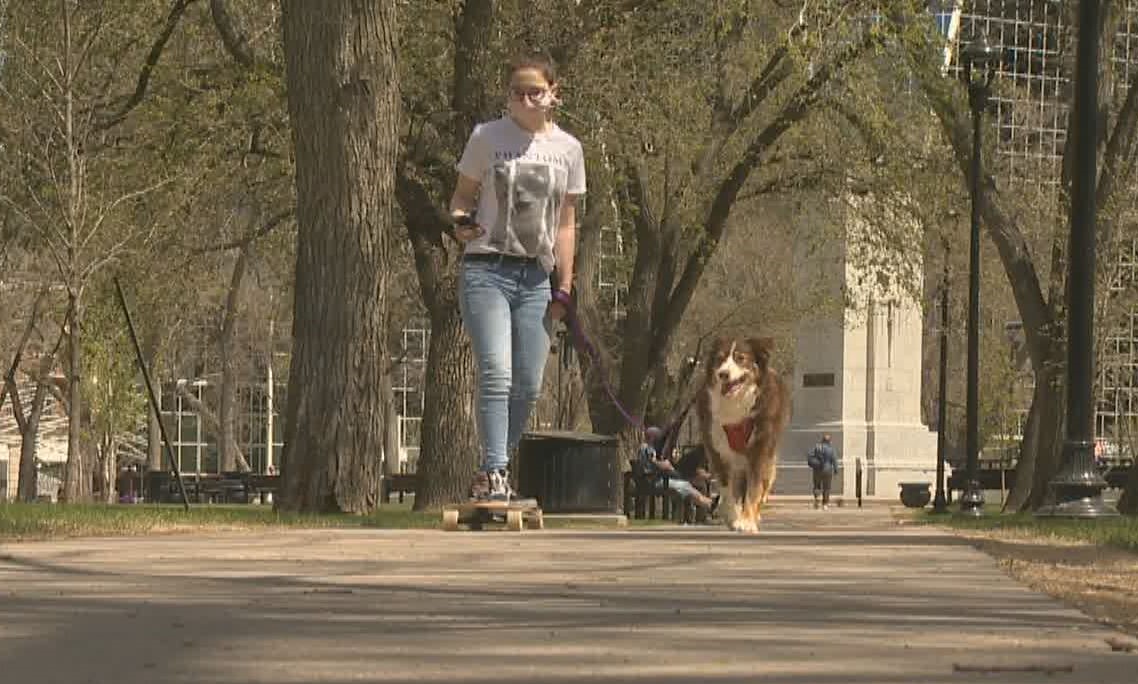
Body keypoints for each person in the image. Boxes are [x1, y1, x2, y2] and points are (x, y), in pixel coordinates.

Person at [449, 53, 586, 500]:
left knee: (528, 382)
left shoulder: (568, 149)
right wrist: (460, 221)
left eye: (535, 92)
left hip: (536, 278)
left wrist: (565, 285)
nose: (525, 100)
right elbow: (460, 199)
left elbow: (566, 224)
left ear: (553, 95)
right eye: (516, 93)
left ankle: (494, 467)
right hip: (486, 268)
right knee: (496, 371)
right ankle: (495, 473)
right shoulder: (487, 137)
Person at [638, 427, 718, 513]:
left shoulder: (646, 448)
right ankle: (709, 504)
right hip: (655, 481)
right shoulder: (648, 448)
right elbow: (654, 463)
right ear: (652, 437)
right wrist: (666, 464)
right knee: (685, 486)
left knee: (687, 484)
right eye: (658, 437)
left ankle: (709, 503)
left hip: (654, 479)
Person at [806, 434, 839, 509]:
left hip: (817, 469)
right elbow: (834, 460)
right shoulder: (831, 449)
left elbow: (810, 456)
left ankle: (817, 498)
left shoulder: (817, 447)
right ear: (829, 441)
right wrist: (836, 470)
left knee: (817, 485)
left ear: (822, 440)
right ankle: (825, 504)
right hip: (827, 470)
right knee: (826, 488)